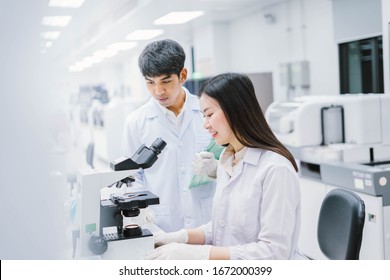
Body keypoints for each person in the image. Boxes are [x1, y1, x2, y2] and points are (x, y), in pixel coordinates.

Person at [145, 72, 304, 260]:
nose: (206, 125)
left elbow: (274, 252)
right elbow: (224, 228)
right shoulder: (228, 160)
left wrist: (198, 254)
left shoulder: (276, 169)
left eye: (209, 115)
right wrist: (179, 237)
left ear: (234, 110)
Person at [121, 39, 216, 233]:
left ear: (182, 75)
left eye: (166, 81)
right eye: (150, 83)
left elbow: (232, 164)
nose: (158, 91)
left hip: (208, 222)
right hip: (161, 224)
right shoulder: (136, 122)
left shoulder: (208, 112)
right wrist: (146, 223)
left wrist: (216, 170)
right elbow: (131, 177)